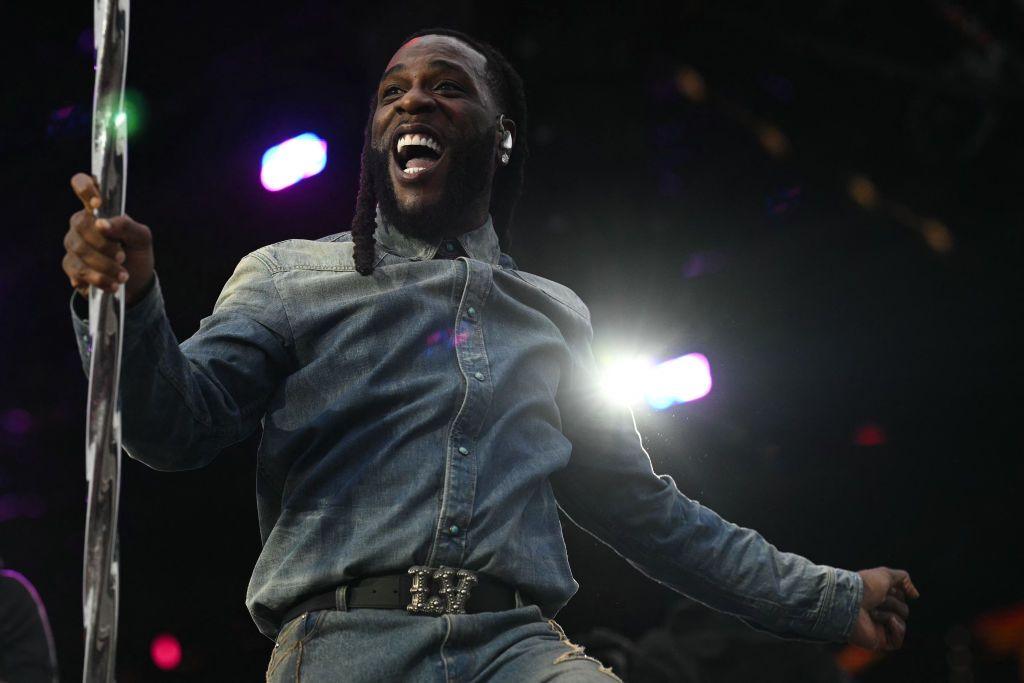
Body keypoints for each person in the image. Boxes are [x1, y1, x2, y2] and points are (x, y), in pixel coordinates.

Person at [62, 28, 918, 682]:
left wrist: (829, 597)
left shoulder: (555, 316)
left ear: (500, 134)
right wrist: (129, 304)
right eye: (392, 90)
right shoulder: (291, 276)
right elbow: (175, 427)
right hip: (344, 646)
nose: (412, 102)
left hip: (516, 649)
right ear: (373, 137)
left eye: (445, 87)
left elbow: (651, 515)